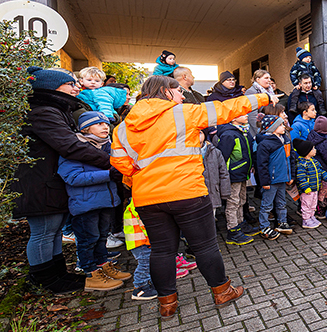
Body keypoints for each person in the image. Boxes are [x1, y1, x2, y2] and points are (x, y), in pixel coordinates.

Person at [110, 75, 271, 318]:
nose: (183, 96)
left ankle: (167, 304)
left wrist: (145, 178)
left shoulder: (123, 127)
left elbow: (121, 164)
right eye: (178, 92)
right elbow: (225, 109)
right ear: (165, 92)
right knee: (205, 246)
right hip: (187, 192)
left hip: (147, 197)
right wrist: (263, 96)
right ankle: (222, 291)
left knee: (161, 250)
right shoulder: (182, 113)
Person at [13, 67, 115, 294]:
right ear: (53, 87)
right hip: (39, 183)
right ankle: (45, 279)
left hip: (49, 181)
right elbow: (70, 145)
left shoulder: (55, 110)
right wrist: (109, 163)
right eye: (70, 84)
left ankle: (57, 274)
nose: (76, 87)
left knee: (55, 229)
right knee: (44, 231)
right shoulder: (43, 112)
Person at [57, 111, 129, 292]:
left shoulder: (108, 146)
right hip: (85, 204)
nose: (105, 127)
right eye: (99, 124)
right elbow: (72, 177)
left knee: (101, 237)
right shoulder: (75, 148)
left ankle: (102, 265)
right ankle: (90, 273)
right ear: (86, 128)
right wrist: (107, 175)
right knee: (88, 239)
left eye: (106, 124)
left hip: (106, 201)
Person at [216, 113, 257, 245]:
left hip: (243, 172)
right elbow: (223, 158)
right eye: (242, 114)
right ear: (233, 118)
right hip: (233, 175)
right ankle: (232, 230)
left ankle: (241, 223)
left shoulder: (244, 131)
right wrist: (227, 174)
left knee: (242, 199)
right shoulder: (229, 135)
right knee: (233, 202)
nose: (246, 115)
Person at [254, 115, 294, 240]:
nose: (284, 126)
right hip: (271, 181)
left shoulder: (285, 139)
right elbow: (261, 165)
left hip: (282, 178)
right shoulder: (265, 144)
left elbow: (290, 158)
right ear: (272, 128)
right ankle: (264, 226)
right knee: (267, 205)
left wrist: (290, 176)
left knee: (282, 202)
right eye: (281, 125)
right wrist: (264, 181)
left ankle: (282, 222)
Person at [293, 138, 327, 229]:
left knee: (313, 204)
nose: (315, 150)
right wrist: (306, 187)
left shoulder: (314, 161)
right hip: (307, 190)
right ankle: (306, 220)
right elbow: (301, 178)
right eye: (313, 149)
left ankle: (311, 216)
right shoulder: (302, 164)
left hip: (315, 188)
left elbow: (322, 172)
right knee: (306, 204)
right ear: (307, 151)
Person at [123, 198, 155, 300]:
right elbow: (144, 223)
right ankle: (140, 287)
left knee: (148, 262)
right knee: (145, 263)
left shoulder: (137, 201)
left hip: (141, 240)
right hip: (139, 241)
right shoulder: (138, 202)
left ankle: (148, 283)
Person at [246, 69, 275, 134]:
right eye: (266, 78)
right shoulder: (251, 92)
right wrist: (260, 132)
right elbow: (252, 116)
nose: (269, 80)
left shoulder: (270, 91)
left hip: (272, 127)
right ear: (258, 79)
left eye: (269, 78)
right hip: (261, 130)